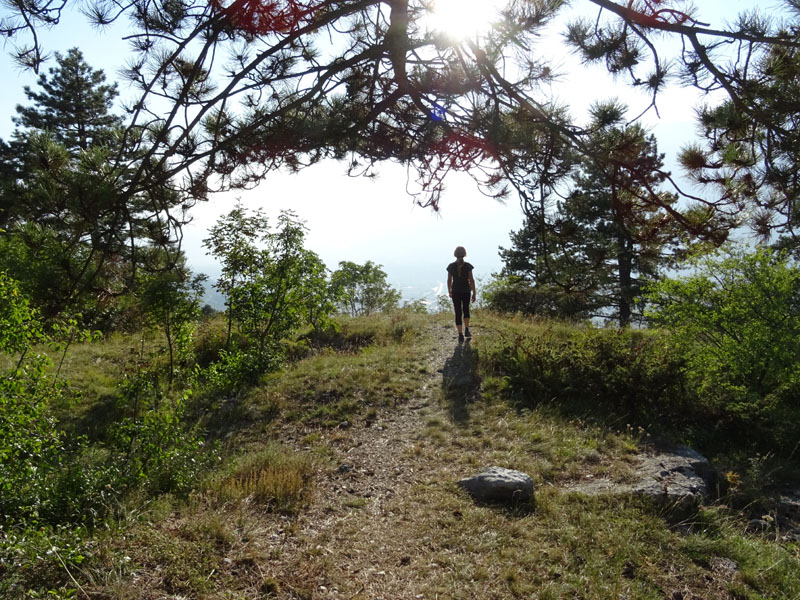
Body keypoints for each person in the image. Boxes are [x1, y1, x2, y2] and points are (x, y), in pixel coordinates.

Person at [447, 246, 476, 343]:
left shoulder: (451, 266)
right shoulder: (468, 266)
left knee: (458, 312)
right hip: (466, 291)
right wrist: (474, 292)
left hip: (455, 291)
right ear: (464, 254)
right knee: (466, 309)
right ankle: (467, 329)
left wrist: (449, 290)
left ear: (455, 254)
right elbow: (471, 280)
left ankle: (460, 334)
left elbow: (449, 280)